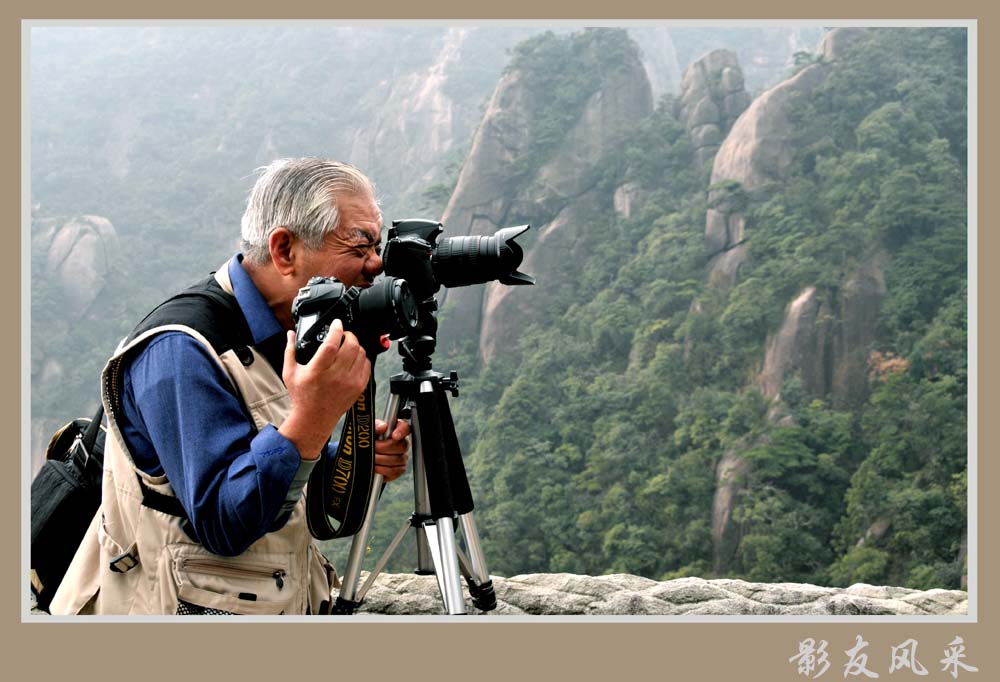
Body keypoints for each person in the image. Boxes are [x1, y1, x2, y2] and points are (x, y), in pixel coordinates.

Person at [50, 158, 410, 615]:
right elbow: (225, 521)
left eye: (377, 245)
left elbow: (257, 455)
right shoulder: (180, 350)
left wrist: (349, 457)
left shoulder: (289, 327)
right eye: (360, 247)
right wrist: (313, 419)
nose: (375, 265)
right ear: (284, 251)